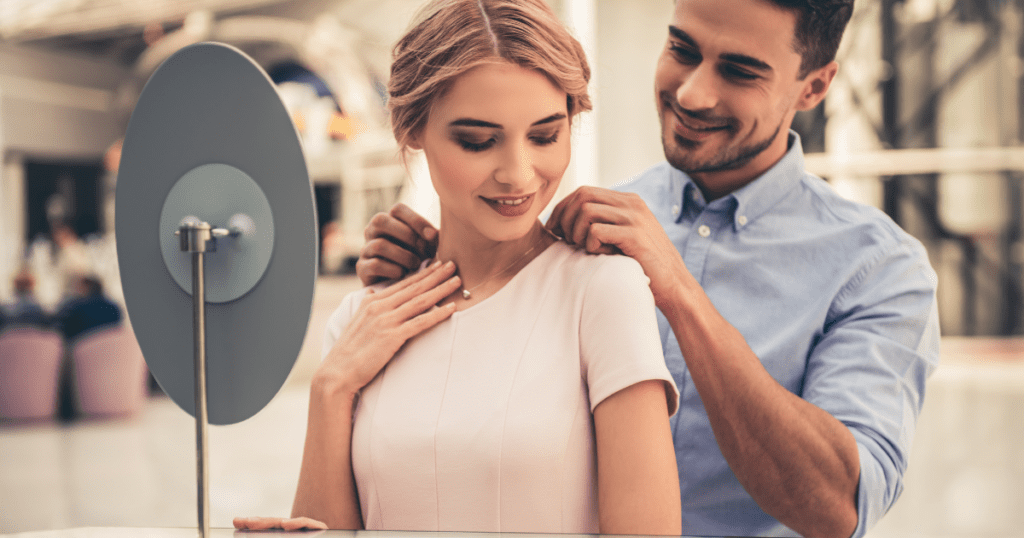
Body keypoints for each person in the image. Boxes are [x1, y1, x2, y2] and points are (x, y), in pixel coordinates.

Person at [356, 0, 942, 537]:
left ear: (814, 87)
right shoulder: (580, 224)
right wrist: (442, 261)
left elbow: (837, 506)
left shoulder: (878, 269)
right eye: (682, 50)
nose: (692, 93)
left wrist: (680, 294)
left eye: (739, 71)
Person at [236, 0, 681, 534]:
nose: (519, 174)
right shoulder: (361, 319)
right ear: (412, 130)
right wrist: (330, 389)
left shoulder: (602, 292)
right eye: (477, 141)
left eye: (545, 135)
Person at [54, 274, 123, 342]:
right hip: (111, 348)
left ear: (86, 287)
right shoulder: (114, 307)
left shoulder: (75, 306)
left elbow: (59, 325)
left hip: (81, 347)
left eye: (79, 287)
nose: (76, 290)